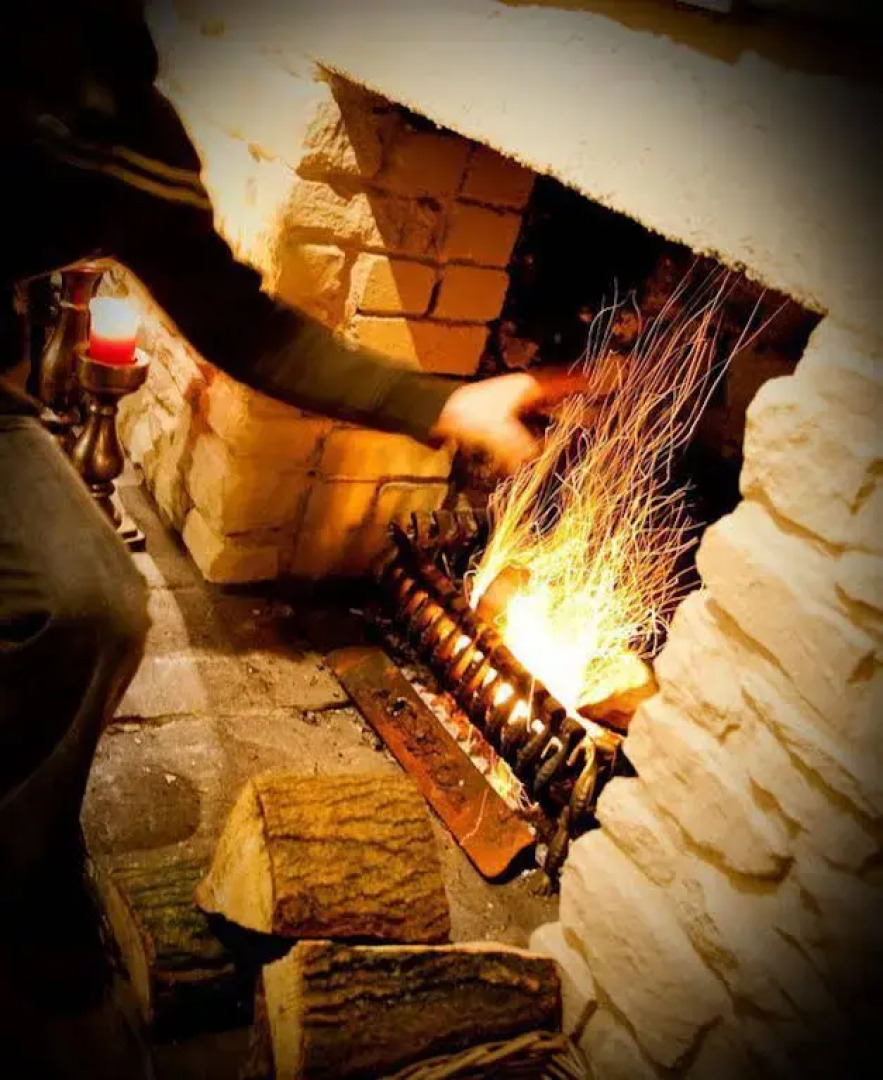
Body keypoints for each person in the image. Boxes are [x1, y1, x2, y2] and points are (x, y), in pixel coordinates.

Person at [0, 3, 585, 1076]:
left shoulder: (126, 130)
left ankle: (22, 867)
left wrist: (443, 407)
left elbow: (241, 322)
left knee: (94, 605)